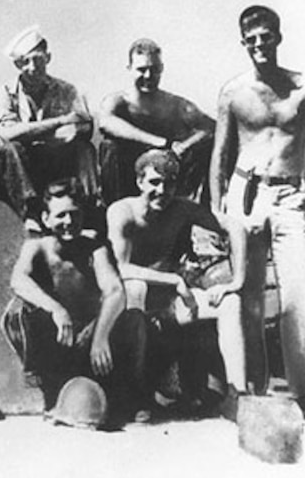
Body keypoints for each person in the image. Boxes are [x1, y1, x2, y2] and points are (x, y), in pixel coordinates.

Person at [210, 5, 305, 421]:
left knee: (301, 291)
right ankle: (252, 391)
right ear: (243, 43)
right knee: (248, 295)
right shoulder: (233, 92)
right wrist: (219, 209)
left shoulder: (303, 88)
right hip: (246, 194)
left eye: (266, 36)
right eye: (251, 39)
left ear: (278, 37)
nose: (259, 45)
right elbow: (220, 155)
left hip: (290, 196)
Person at [107, 149, 247, 420]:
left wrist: (237, 280)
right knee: (136, 287)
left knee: (231, 302)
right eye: (154, 183)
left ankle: (236, 395)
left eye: (170, 183)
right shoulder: (122, 212)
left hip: (168, 303)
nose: (163, 191)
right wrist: (174, 279)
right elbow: (120, 268)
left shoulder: (181, 209)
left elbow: (235, 227)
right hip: (131, 308)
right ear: (139, 183)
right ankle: (137, 397)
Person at [2, 178, 148, 426]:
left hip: (91, 344)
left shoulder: (95, 248)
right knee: (18, 312)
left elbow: (114, 291)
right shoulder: (35, 247)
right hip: (57, 344)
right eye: (60, 216)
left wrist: (100, 338)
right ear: (46, 220)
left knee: (135, 319)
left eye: (74, 215)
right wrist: (57, 310)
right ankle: (50, 392)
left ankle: (130, 398)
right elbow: (18, 280)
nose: (68, 222)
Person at [0, 26, 100, 229]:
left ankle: (89, 208)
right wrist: (59, 122)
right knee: (11, 148)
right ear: (17, 64)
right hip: (8, 172)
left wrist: (36, 135)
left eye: (38, 59)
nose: (33, 67)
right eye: (25, 62)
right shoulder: (5, 93)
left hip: (47, 161)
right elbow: (9, 132)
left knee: (83, 148)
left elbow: (83, 126)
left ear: (48, 58)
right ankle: (30, 212)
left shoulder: (66, 90)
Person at [99, 39, 215, 205]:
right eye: (142, 70)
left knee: (207, 146)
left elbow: (210, 127)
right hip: (128, 179)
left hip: (167, 174)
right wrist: (161, 142)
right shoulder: (118, 101)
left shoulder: (175, 104)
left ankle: (195, 210)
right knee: (110, 147)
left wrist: (184, 146)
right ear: (129, 69)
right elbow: (106, 122)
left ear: (161, 69)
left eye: (154, 70)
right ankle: (113, 213)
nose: (148, 76)